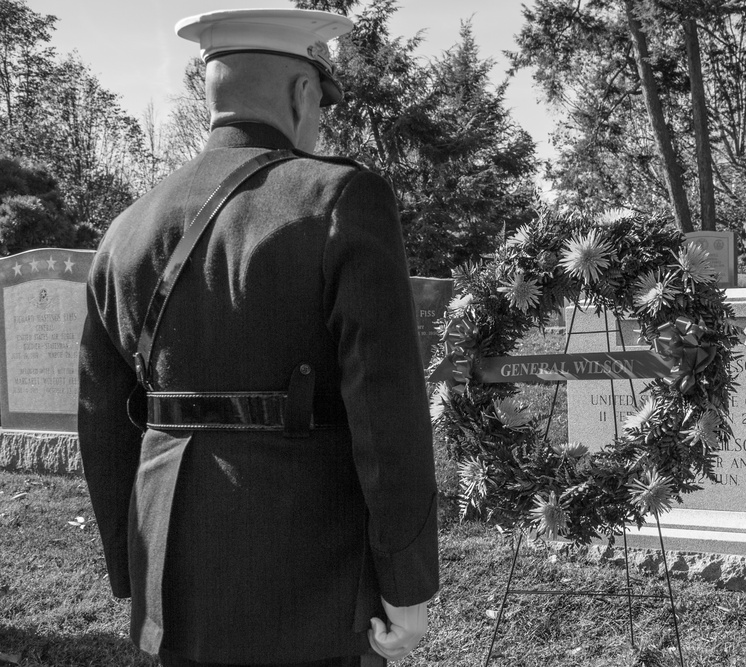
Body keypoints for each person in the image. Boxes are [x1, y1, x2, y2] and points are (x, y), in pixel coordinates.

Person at [77, 8, 439, 667]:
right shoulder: (340, 199)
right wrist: (408, 581)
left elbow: (102, 422)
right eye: (321, 103)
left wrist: (132, 570)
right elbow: (385, 408)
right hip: (311, 585)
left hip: (173, 584)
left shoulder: (124, 231)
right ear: (304, 93)